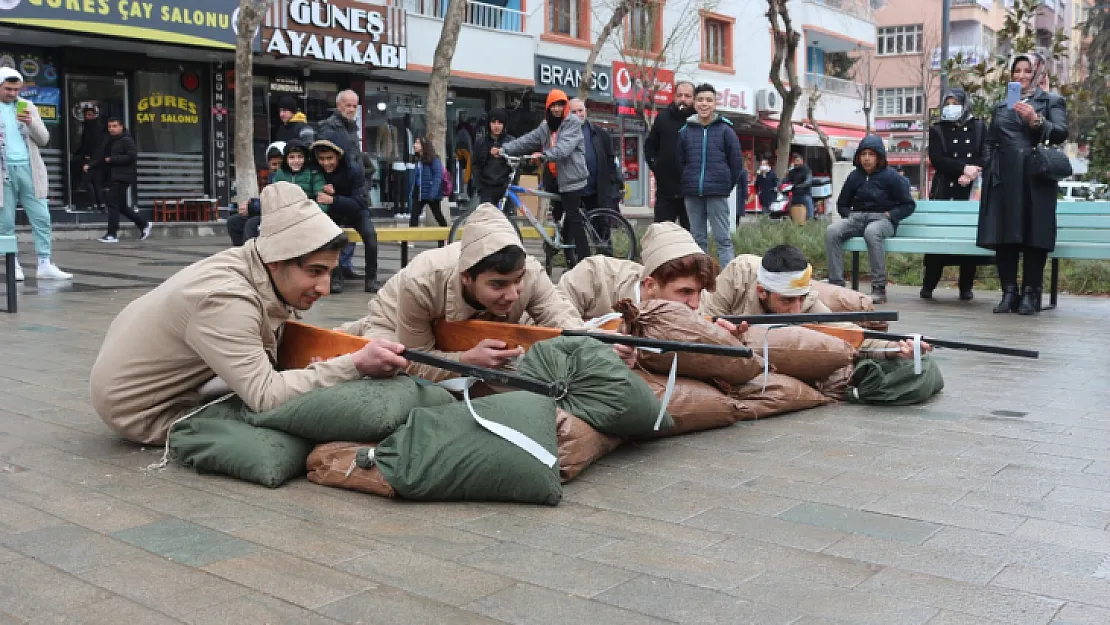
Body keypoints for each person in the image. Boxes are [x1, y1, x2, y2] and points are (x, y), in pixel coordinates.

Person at [90, 182, 409, 445]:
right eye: (315, 272)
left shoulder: (253, 265)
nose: (324, 288)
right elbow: (266, 395)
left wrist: (367, 328)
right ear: (276, 261)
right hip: (143, 411)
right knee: (293, 422)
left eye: (329, 272)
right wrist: (355, 364)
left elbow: (290, 342)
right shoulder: (225, 298)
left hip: (164, 386)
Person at [336, 205, 606, 382]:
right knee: (387, 371)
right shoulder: (421, 282)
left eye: (517, 281)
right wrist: (464, 361)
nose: (513, 295)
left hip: (474, 320)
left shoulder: (531, 274)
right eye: (498, 285)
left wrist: (600, 348)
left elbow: (563, 320)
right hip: (394, 318)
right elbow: (414, 359)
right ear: (467, 277)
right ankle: (354, 332)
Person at [699, 245, 929, 358]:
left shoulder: (805, 300)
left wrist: (897, 347)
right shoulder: (736, 277)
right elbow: (699, 322)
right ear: (762, 292)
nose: (797, 310)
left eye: (801, 299)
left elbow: (847, 334)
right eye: (787, 301)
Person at [977, 52, 1067, 316]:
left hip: (1035, 178)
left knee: (1033, 236)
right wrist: (990, 169)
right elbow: (990, 142)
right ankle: (1009, 292)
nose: (1022, 76)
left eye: (1028, 71)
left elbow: (1061, 132)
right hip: (1003, 180)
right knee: (1005, 237)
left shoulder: (1050, 100)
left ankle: (1030, 293)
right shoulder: (1002, 106)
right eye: (1017, 71)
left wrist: (1035, 119)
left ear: (1038, 74)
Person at [556, 222, 741, 337]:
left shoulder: (700, 306)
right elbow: (551, 321)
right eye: (685, 292)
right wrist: (605, 339)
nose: (695, 303)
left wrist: (723, 339)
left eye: (699, 291)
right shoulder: (594, 276)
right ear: (650, 284)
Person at [496, 89, 591, 268]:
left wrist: (543, 155)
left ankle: (587, 262)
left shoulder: (572, 123)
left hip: (572, 179)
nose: (556, 109)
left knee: (573, 219)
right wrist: (504, 149)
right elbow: (527, 140)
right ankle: (569, 260)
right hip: (554, 180)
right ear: (548, 107)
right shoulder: (546, 126)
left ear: (565, 106)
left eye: (560, 105)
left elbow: (564, 149)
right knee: (559, 221)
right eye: (553, 105)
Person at [824, 135, 916, 304]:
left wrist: (891, 215)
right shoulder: (854, 176)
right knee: (832, 231)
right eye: (863, 154)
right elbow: (842, 204)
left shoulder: (892, 177)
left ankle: (879, 289)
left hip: (882, 220)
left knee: (872, 232)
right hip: (857, 218)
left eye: (871, 154)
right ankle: (836, 284)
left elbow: (908, 205)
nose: (866, 158)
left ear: (879, 157)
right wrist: (849, 216)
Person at [0, 67, 71, 282]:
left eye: (16, 89)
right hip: (3, 171)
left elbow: (44, 139)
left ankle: (44, 263)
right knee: (6, 220)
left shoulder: (27, 106)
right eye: (7, 89)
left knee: (41, 216)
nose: (12, 93)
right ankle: (13, 264)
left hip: (30, 169)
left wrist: (30, 123)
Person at [922, 88, 989, 301]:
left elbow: (987, 154)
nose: (951, 107)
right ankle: (928, 285)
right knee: (937, 239)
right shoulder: (938, 129)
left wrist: (972, 173)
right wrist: (962, 169)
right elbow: (937, 158)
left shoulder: (979, 127)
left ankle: (966, 286)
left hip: (971, 190)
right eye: (947, 102)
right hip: (945, 190)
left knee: (968, 239)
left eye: (955, 102)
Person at [676, 83, 743, 269]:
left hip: (718, 192)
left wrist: (725, 185)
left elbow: (737, 164)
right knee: (697, 238)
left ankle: (730, 279)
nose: (704, 104)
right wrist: (688, 179)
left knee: (723, 238)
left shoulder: (725, 130)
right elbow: (680, 162)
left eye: (708, 100)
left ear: (715, 104)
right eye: (700, 100)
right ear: (694, 103)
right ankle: (702, 277)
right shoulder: (685, 131)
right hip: (692, 192)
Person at [311, 138, 382, 294]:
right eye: (321, 159)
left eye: (330, 158)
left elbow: (359, 203)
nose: (325, 163)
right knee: (331, 238)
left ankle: (371, 280)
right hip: (334, 214)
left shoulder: (354, 170)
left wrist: (334, 199)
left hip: (356, 212)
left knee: (370, 237)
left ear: (338, 156)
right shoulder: (317, 171)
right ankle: (335, 279)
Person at [318, 90, 375, 281]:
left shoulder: (351, 128)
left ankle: (369, 279)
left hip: (354, 189)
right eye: (348, 105)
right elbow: (325, 159)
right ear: (339, 105)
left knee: (368, 234)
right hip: (336, 188)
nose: (351, 109)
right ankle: (335, 278)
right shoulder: (330, 128)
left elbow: (356, 160)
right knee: (333, 235)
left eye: (354, 106)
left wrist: (366, 175)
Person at [645, 80, 694, 229]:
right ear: (674, 97)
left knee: (692, 237)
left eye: (687, 96)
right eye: (679, 95)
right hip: (666, 190)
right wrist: (657, 166)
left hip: (691, 192)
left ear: (693, 98)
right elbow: (650, 146)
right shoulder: (663, 118)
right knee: (662, 234)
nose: (683, 99)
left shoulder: (698, 121)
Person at [95, 118, 152, 244]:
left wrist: (113, 159)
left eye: (114, 126)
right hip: (116, 176)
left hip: (122, 177)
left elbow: (132, 156)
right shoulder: (113, 140)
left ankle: (112, 234)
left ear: (121, 127)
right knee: (120, 206)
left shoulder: (126, 140)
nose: (112, 129)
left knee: (112, 202)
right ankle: (144, 224)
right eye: (110, 126)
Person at [568, 98, 623, 213]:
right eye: (574, 112)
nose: (578, 114)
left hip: (597, 193)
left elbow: (610, 160)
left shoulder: (601, 134)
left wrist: (612, 183)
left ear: (586, 111)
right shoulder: (564, 135)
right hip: (574, 193)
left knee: (600, 229)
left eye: (580, 110)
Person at [228, 141, 284, 247]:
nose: (277, 167)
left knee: (252, 224)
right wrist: (250, 203)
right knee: (233, 222)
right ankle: (241, 255)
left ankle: (252, 256)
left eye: (280, 164)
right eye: (274, 164)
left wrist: (252, 206)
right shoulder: (271, 177)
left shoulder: (287, 177)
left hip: (279, 215)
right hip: (266, 212)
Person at [472, 108, 515, 207]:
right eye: (493, 122)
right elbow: (475, 165)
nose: (496, 126)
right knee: (487, 220)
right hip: (486, 188)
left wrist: (511, 184)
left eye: (500, 123)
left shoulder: (511, 142)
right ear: (489, 123)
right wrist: (479, 187)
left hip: (505, 188)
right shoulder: (480, 142)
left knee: (505, 220)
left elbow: (516, 165)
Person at [410, 136, 448, 227]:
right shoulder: (417, 159)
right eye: (415, 143)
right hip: (419, 193)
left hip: (431, 193)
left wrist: (432, 193)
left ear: (424, 146)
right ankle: (408, 240)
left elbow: (437, 176)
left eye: (418, 143)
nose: (415, 145)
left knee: (438, 215)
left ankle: (446, 237)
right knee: (414, 217)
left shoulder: (434, 159)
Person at [73, 103, 105, 211]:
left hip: (91, 159)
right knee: (96, 183)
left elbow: (92, 145)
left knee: (87, 181)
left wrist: (88, 160)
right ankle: (100, 203)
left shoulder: (93, 128)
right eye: (87, 114)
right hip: (95, 159)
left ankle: (95, 203)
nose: (88, 116)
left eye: (91, 114)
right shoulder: (87, 127)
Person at [784, 153, 814, 219]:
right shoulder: (792, 172)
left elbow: (808, 180)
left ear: (802, 161)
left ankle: (810, 219)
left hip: (804, 194)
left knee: (809, 214)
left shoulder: (807, 170)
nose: (796, 163)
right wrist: (780, 184)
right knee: (790, 212)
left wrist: (801, 185)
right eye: (795, 161)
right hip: (795, 195)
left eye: (798, 161)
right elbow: (786, 180)